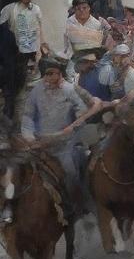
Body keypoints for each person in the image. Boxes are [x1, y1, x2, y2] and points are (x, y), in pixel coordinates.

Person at [20, 55, 101, 216]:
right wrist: (28, 135)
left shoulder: (71, 90)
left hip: (64, 145)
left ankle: (77, 206)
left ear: (60, 74)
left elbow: (82, 114)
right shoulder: (36, 91)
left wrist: (72, 127)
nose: (49, 77)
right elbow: (28, 115)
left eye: (52, 73)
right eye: (46, 74)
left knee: (70, 173)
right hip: (39, 143)